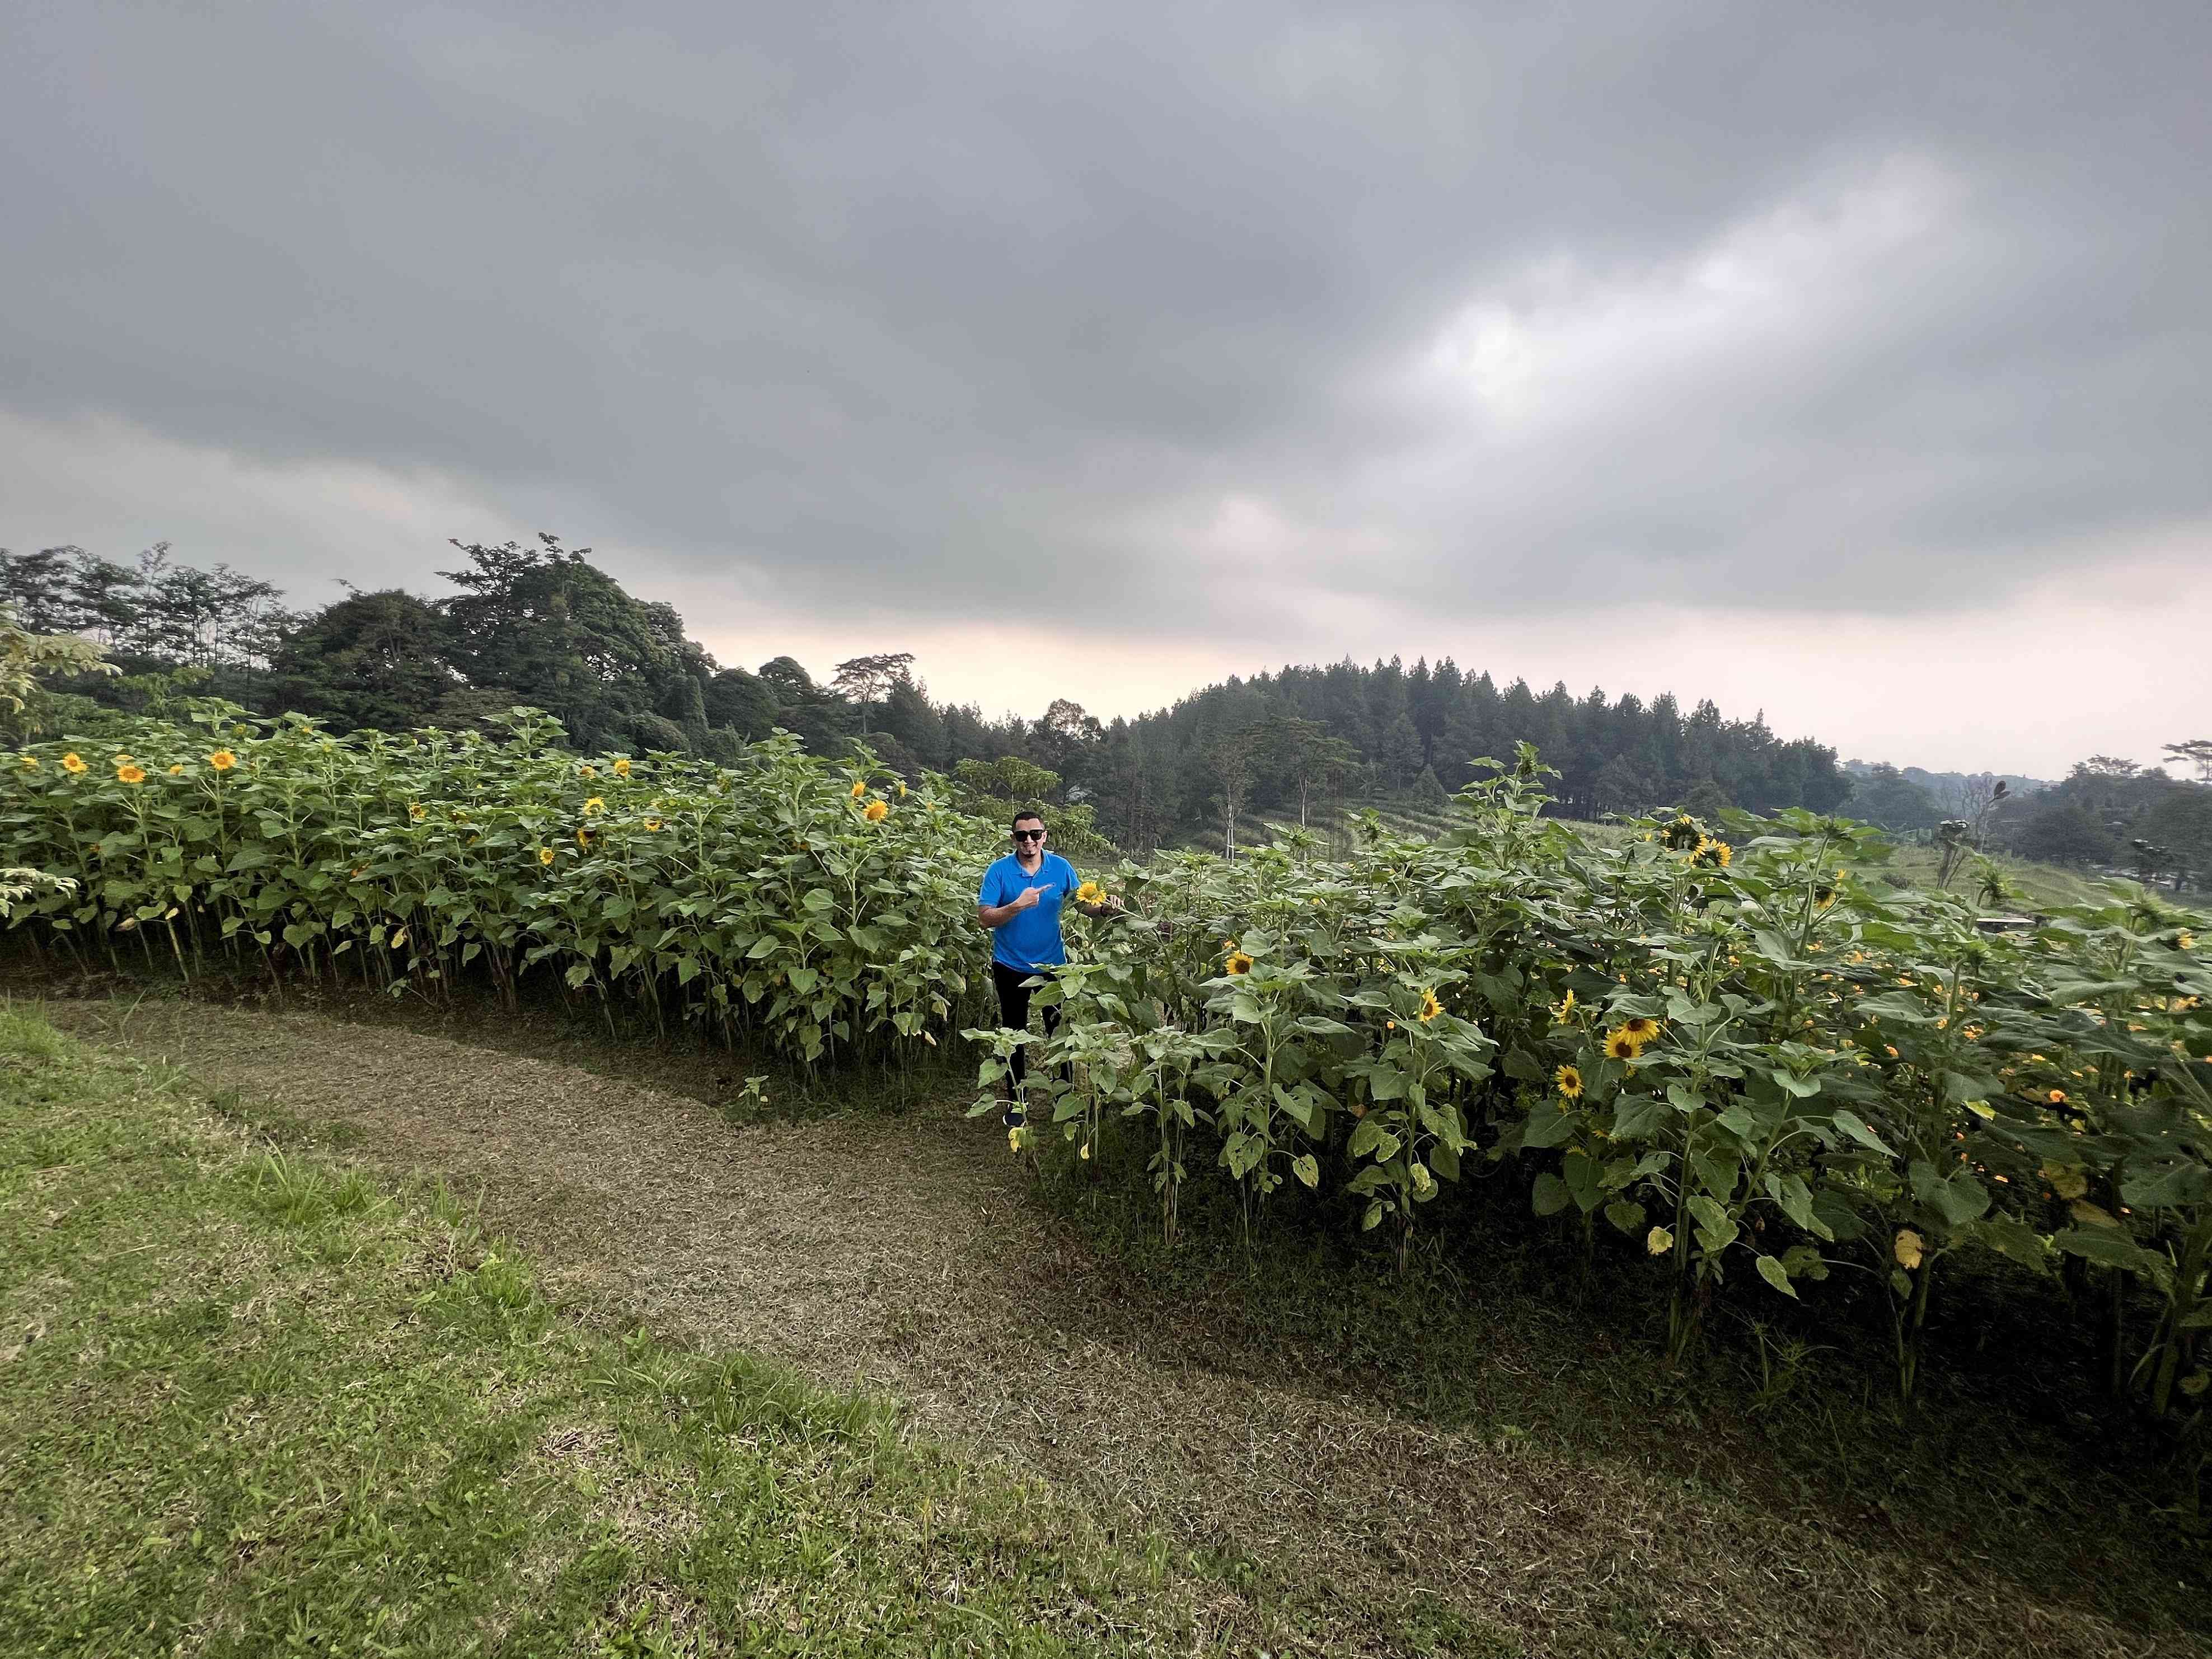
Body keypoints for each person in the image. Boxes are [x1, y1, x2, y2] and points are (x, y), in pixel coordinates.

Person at [975, 809, 1116, 1126]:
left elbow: (1080, 903)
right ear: (1013, 838)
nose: (1029, 841)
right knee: (1014, 1033)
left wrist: (1105, 908)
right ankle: (1016, 1102)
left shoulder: (1061, 868)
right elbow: (985, 918)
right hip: (1010, 965)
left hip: (1054, 966)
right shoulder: (999, 871)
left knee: (1060, 1032)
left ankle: (1064, 1099)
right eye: (1022, 835)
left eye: (1035, 834)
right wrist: (1016, 906)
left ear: (1045, 836)